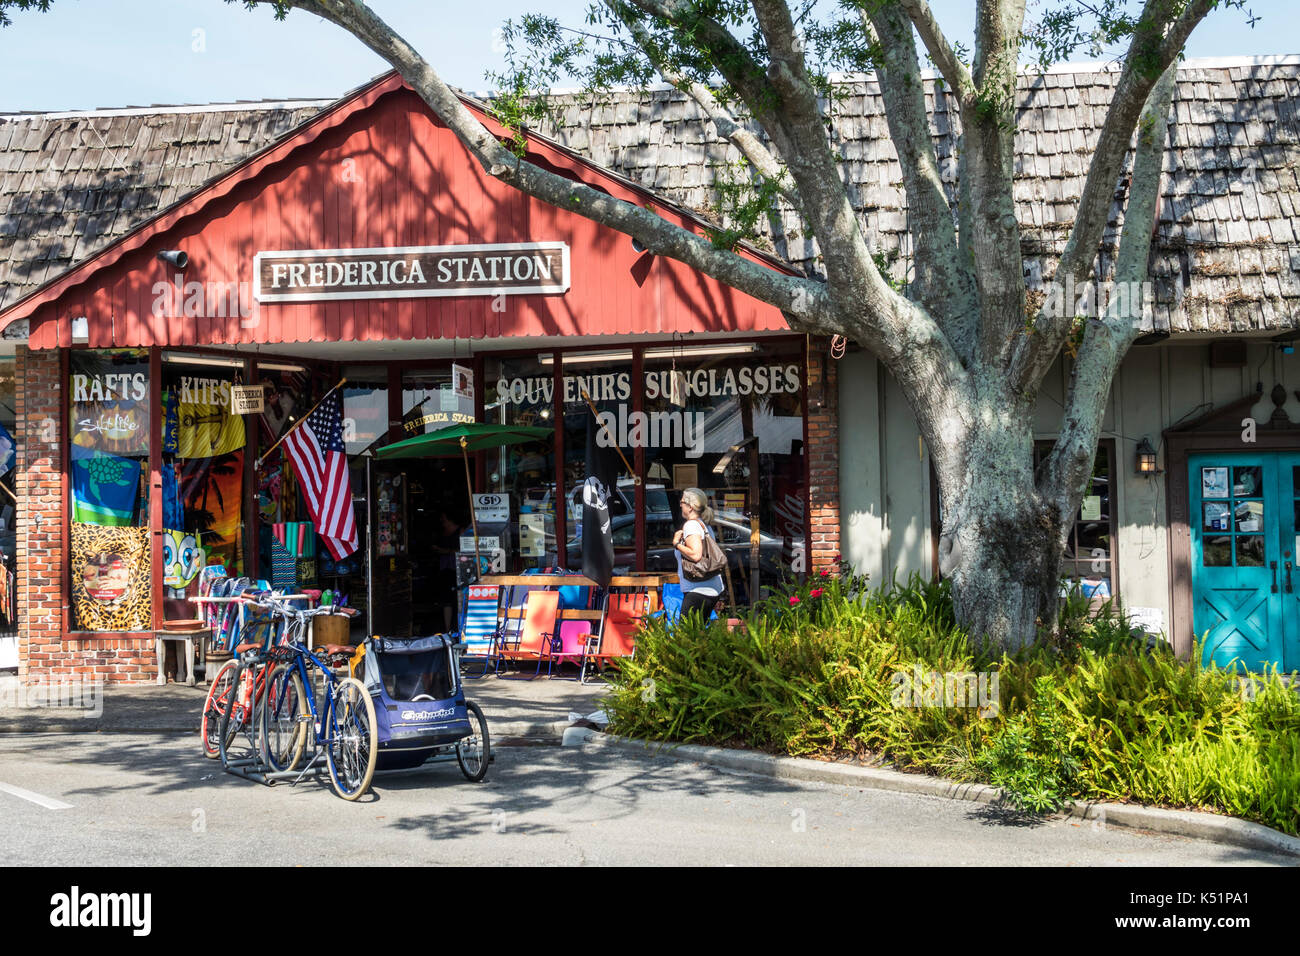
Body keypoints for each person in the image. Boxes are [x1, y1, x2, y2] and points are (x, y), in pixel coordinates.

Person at [672, 487, 723, 621]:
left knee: (685, 636)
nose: (680, 504)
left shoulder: (691, 525)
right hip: (710, 589)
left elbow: (695, 555)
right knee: (697, 635)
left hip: (698, 590)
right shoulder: (703, 525)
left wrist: (677, 544)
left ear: (690, 507)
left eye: (682, 502)